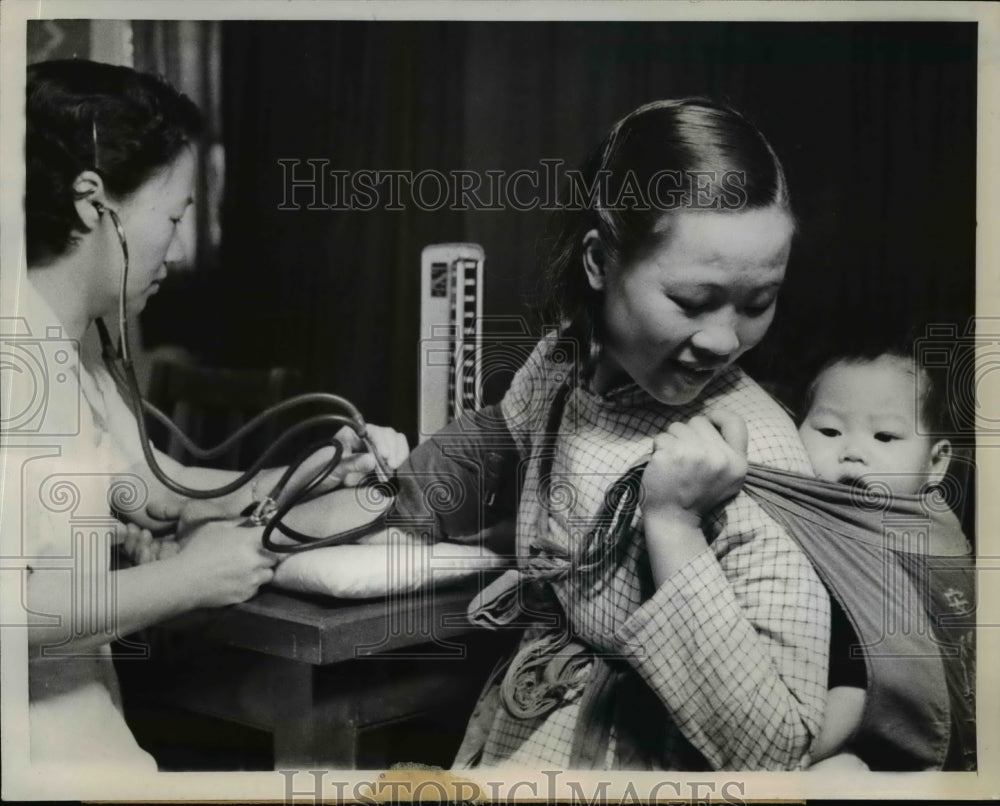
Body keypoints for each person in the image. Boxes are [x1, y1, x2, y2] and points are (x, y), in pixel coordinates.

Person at [384, 98, 832, 769]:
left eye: (758, 303)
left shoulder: (757, 458)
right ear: (599, 262)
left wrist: (675, 525)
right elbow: (493, 443)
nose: (722, 339)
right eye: (691, 301)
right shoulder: (563, 363)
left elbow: (775, 752)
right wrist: (385, 506)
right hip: (530, 729)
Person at [4, 59, 408, 769]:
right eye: (174, 216)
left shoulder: (76, 353)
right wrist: (192, 578)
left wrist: (310, 471)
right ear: (91, 203)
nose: (179, 244)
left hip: (87, 738)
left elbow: (160, 496)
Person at [794, 345, 972, 769]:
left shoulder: (927, 538)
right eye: (829, 431)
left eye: (885, 437)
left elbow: (864, 682)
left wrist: (783, 759)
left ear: (935, 463)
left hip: (878, 734)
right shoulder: (794, 513)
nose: (852, 451)